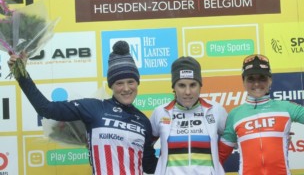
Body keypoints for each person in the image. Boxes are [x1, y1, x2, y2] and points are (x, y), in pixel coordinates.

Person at [8, 40, 157, 175]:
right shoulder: (94, 107)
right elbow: (45, 109)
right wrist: (21, 75)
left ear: (137, 83)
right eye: (119, 83)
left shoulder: (143, 121)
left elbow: (150, 166)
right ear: (111, 85)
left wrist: (178, 153)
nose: (126, 88)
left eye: (131, 82)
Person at [218, 54, 304, 175]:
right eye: (250, 79)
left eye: (262, 78)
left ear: (270, 80)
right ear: (243, 81)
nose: (256, 83)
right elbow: (218, 157)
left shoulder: (285, 108)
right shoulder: (235, 115)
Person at [150, 56, 228, 175]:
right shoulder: (160, 112)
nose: (187, 92)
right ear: (174, 87)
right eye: (181, 85)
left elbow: (232, 139)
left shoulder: (215, 110)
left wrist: (217, 162)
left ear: (200, 85)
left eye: (193, 85)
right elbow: (144, 146)